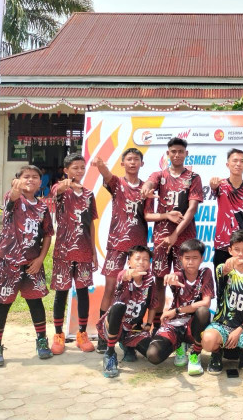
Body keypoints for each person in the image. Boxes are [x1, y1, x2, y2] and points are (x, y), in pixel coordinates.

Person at [0, 165, 54, 367]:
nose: (31, 180)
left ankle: (41, 340)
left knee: (36, 303)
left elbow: (48, 235)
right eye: (26, 176)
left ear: (40, 182)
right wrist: (15, 188)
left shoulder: (43, 207)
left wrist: (40, 259)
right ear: (18, 179)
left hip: (32, 263)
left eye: (35, 177)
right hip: (8, 263)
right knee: (3, 304)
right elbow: (13, 195)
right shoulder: (13, 198)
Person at [140, 137, 203, 328]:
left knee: (182, 280)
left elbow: (191, 210)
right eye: (173, 151)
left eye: (180, 151)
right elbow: (149, 184)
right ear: (168, 154)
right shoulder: (159, 175)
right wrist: (146, 188)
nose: (176, 155)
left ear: (186, 154)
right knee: (159, 280)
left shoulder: (193, 178)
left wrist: (175, 233)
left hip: (184, 239)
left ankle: (180, 323)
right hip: (161, 239)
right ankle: (157, 324)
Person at [93, 149, 148, 353]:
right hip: (116, 245)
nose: (133, 162)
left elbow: (149, 214)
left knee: (136, 292)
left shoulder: (146, 188)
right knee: (110, 289)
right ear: (123, 163)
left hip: (138, 247)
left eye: (136, 159)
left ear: (142, 163)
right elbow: (106, 175)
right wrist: (100, 165)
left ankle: (130, 337)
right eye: (129, 159)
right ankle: (103, 334)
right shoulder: (117, 183)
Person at [49, 153, 98, 354]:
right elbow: (57, 189)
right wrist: (69, 184)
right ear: (66, 170)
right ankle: (59, 334)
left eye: (82, 167)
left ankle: (82, 333)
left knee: (83, 292)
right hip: (63, 251)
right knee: (61, 292)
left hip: (84, 251)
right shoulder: (60, 189)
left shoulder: (88, 194)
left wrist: (94, 250)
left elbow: (91, 224)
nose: (79, 171)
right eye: (75, 167)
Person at [201, 229, 243, 373]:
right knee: (207, 341)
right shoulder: (223, 270)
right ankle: (216, 353)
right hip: (222, 326)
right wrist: (228, 265)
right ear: (230, 250)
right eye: (236, 249)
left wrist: (239, 331)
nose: (240, 253)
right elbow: (224, 269)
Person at [146, 238, 213, 376]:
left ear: (202, 258)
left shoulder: (205, 273)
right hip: (174, 324)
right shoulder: (177, 276)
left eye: (195, 258)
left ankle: (195, 353)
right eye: (187, 258)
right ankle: (179, 345)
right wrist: (169, 278)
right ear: (180, 259)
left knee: (203, 311)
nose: (190, 262)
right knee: (153, 355)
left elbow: (206, 302)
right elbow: (172, 277)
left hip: (193, 324)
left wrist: (177, 310)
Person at [101, 245, 158, 378]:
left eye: (145, 259)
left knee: (153, 353)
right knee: (119, 306)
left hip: (133, 328)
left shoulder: (150, 282)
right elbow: (123, 276)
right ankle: (109, 354)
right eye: (137, 258)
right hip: (114, 325)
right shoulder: (123, 275)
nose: (141, 262)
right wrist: (129, 274)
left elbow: (153, 305)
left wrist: (149, 324)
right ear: (129, 262)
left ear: (149, 263)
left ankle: (128, 345)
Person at [209, 148, 243, 268]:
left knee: (241, 285)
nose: (238, 164)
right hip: (222, 245)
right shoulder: (220, 185)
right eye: (235, 161)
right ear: (228, 164)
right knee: (222, 284)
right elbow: (213, 189)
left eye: (241, 161)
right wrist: (213, 185)